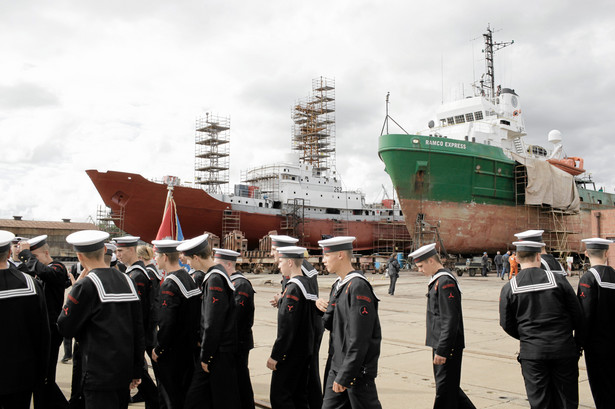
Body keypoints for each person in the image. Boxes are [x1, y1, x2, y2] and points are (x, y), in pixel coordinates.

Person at [58, 230, 144, 409]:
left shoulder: (86, 284)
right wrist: (136, 370)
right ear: (105, 249)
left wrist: (73, 292)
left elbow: (65, 327)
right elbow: (138, 329)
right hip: (123, 371)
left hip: (98, 373)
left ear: (79, 257)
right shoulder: (128, 281)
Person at [499, 239, 581, 408]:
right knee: (567, 400)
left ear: (518, 259)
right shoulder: (558, 280)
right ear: (538, 256)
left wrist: (527, 336)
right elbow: (577, 313)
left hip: (532, 353)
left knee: (540, 401)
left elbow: (506, 323)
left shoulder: (510, 287)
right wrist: (564, 332)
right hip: (563, 349)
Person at [409, 243, 476, 409]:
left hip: (447, 347)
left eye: (420, 266)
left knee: (445, 392)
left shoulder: (445, 282)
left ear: (431, 261)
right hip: (442, 345)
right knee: (450, 389)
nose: (419, 270)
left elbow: (450, 319)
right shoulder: (439, 280)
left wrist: (443, 350)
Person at [319, 236, 382, 409]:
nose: (323, 260)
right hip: (338, 364)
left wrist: (346, 375)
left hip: (355, 371)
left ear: (340, 255)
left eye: (326, 255)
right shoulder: (339, 285)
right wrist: (319, 307)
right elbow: (330, 324)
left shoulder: (357, 287)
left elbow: (360, 338)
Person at [181, 237, 241, 409]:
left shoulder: (215, 278)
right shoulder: (216, 275)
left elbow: (212, 322)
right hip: (219, 350)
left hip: (217, 352)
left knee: (209, 399)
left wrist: (206, 355)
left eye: (189, 260)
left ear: (197, 258)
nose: (189, 265)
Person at [269, 234, 323, 409]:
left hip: (306, 329)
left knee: (305, 379)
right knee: (299, 385)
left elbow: (307, 301)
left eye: (274, 250)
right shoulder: (293, 273)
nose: (272, 254)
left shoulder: (304, 272)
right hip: (300, 330)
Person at [18, 234, 70, 409]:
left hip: (52, 329)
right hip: (38, 329)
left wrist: (27, 255)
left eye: (36, 257)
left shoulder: (58, 268)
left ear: (46, 253)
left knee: (46, 376)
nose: (33, 262)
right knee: (39, 377)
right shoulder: (37, 270)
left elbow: (44, 272)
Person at [0, 230, 50, 409]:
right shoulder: (31, 284)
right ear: (8, 253)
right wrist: (42, 372)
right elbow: (43, 333)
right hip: (22, 374)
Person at [151, 238, 201, 409]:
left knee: (169, 398)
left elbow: (167, 322)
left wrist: (160, 348)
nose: (155, 259)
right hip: (188, 349)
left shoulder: (170, 284)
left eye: (156, 255)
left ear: (165, 257)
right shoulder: (187, 277)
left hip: (173, 352)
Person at [114, 236, 158, 409]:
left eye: (120, 251)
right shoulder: (132, 272)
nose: (117, 255)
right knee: (139, 373)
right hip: (138, 333)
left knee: (138, 372)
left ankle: (156, 401)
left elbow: (138, 311)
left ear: (132, 250)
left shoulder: (137, 275)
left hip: (137, 333)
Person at [576, 238, 615, 408]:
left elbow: (585, 315)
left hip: (597, 346)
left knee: (601, 388)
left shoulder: (588, 278)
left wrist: (579, 343)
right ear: (606, 254)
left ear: (586, 254)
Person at [219, 249, 256, 409]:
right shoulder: (228, 282)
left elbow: (236, 318)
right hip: (232, 342)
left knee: (240, 381)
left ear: (229, 264)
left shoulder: (240, 284)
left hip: (238, 343)